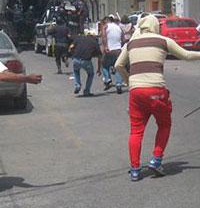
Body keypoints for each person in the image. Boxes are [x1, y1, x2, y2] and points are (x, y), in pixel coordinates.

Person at [115, 15, 200, 182]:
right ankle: (156, 160)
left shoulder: (131, 43)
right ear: (156, 26)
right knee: (164, 124)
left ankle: (135, 169)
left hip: (136, 92)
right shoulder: (162, 40)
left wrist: (129, 81)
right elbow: (186, 55)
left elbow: (118, 64)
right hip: (156, 90)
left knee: (136, 131)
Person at [70, 32, 102, 97]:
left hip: (76, 59)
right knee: (90, 74)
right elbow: (100, 57)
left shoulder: (79, 38)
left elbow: (71, 47)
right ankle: (87, 91)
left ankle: (77, 85)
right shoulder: (94, 42)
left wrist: (72, 55)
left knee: (76, 71)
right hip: (86, 61)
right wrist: (99, 69)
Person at [101, 15, 123, 94]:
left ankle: (107, 79)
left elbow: (103, 36)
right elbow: (122, 38)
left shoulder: (105, 27)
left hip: (109, 49)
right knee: (117, 66)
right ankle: (118, 83)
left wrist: (105, 46)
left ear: (107, 20)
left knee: (104, 65)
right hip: (118, 49)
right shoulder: (118, 27)